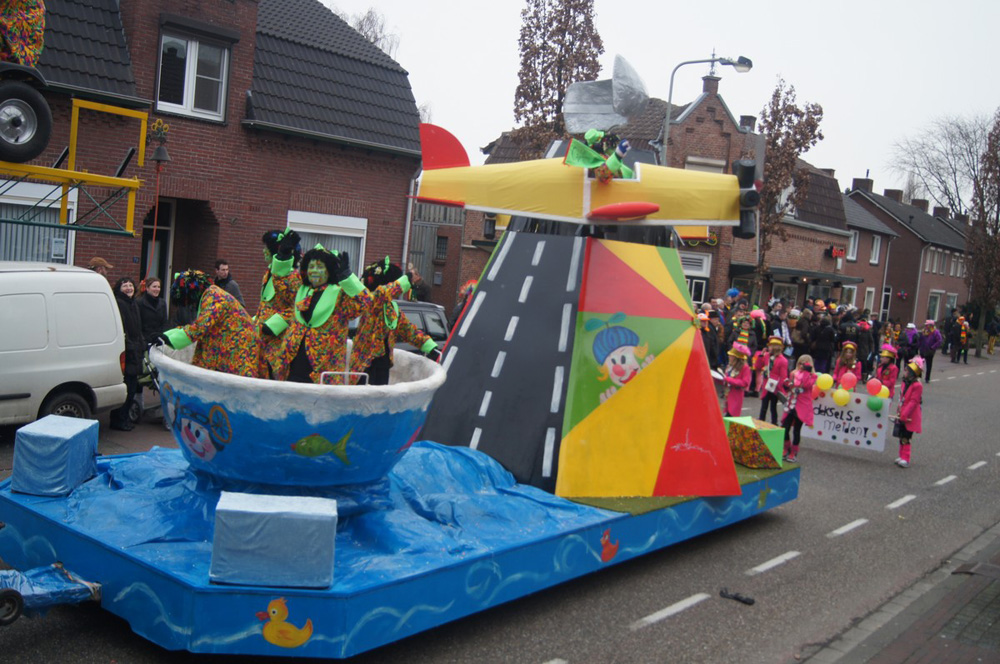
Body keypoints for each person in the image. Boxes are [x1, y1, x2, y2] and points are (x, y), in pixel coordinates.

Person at [273, 246, 372, 384]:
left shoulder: (340, 295)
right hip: (293, 367)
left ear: (329, 271)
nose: (314, 270)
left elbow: (365, 301)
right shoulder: (300, 289)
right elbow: (280, 281)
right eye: (311, 266)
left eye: (320, 267)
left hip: (323, 372)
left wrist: (347, 277)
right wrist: (283, 257)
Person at [354, 257, 440, 385]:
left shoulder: (391, 309)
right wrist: (406, 279)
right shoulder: (372, 300)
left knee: (381, 395)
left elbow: (408, 330)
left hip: (382, 366)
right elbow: (383, 293)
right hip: (364, 367)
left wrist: (430, 346)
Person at [158, 269, 259, 377]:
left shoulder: (214, 298)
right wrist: (165, 335)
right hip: (228, 347)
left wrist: (168, 339)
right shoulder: (210, 295)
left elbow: (199, 328)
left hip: (239, 350)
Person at [257, 230, 302, 378]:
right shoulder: (268, 273)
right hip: (261, 340)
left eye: (266, 247)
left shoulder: (293, 276)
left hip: (278, 342)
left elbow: (297, 308)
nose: (263, 251)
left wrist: (273, 325)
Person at [110, 277, 143, 431]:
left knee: (132, 387)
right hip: (127, 350)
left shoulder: (134, 304)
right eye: (125, 286)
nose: (129, 288)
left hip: (135, 349)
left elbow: (138, 327)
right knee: (127, 387)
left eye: (131, 285)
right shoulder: (120, 303)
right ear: (119, 288)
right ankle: (118, 419)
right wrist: (130, 345)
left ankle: (124, 418)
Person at [782, 354, 817, 464]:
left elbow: (806, 385)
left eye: (805, 364)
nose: (802, 365)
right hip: (791, 403)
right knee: (785, 427)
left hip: (802, 406)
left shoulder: (813, 376)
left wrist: (806, 372)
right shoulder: (793, 373)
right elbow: (790, 386)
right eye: (801, 363)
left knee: (796, 430)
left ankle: (794, 451)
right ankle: (786, 447)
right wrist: (786, 385)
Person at [894, 357, 924, 468]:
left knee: (906, 437)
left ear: (912, 373)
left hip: (910, 415)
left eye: (906, 370)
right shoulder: (905, 382)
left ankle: (906, 458)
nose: (904, 372)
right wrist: (899, 410)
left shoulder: (917, 385)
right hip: (902, 412)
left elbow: (913, 402)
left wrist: (905, 414)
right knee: (901, 435)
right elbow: (901, 397)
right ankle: (901, 455)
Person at [754, 336, 789, 425]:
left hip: (775, 386)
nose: (768, 347)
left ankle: (774, 423)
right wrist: (761, 356)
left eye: (770, 346)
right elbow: (758, 366)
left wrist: (781, 388)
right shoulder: (766, 356)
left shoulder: (783, 360)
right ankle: (761, 421)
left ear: (775, 347)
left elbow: (783, 376)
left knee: (773, 407)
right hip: (766, 385)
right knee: (764, 405)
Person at [722, 342, 752, 418]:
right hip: (728, 394)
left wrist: (729, 380)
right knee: (727, 416)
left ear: (736, 358)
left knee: (731, 417)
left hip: (736, 396)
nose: (729, 356)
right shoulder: (730, 366)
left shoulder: (745, 368)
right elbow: (726, 378)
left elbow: (745, 382)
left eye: (731, 355)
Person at [137, 276, 168, 346]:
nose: (157, 289)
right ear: (147, 288)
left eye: (158, 287)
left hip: (159, 341)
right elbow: (138, 324)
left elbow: (165, 322)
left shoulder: (162, 303)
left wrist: (161, 336)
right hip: (144, 341)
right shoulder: (139, 302)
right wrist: (144, 340)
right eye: (154, 287)